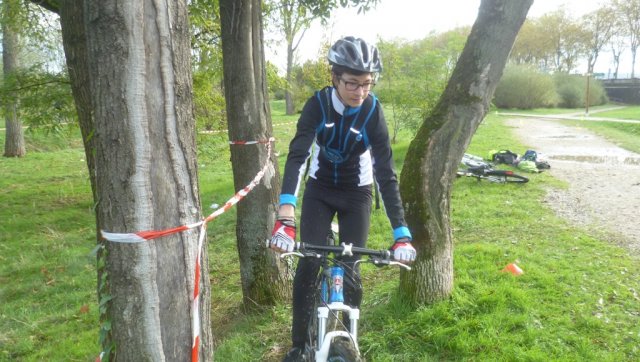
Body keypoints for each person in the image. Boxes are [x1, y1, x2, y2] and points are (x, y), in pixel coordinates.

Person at [269, 36, 416, 362]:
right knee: (309, 265)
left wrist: (401, 233)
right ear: (335, 77)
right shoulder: (317, 106)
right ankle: (298, 346)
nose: (360, 92)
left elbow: (386, 174)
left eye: (367, 84)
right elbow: (298, 157)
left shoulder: (373, 112)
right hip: (320, 191)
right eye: (352, 83)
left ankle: (349, 342)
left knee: (352, 272)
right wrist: (285, 217)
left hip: (357, 193)